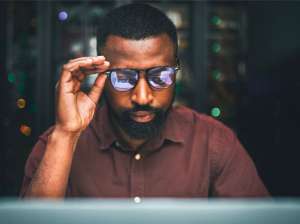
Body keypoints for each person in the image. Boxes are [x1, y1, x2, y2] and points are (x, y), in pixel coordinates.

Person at [20, 3, 269, 198]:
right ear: (101, 75)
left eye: (160, 75)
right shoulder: (58, 143)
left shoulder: (214, 142)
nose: (142, 97)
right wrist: (66, 135)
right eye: (123, 77)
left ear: (176, 70)